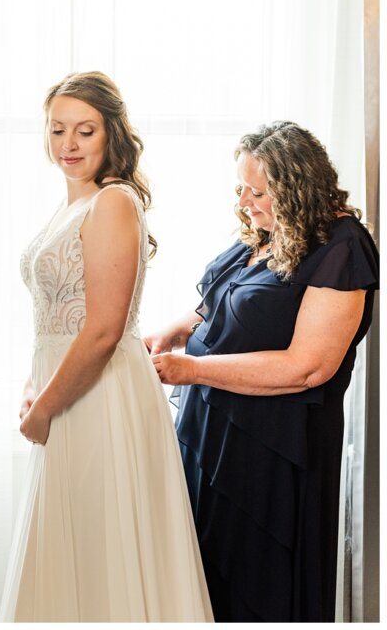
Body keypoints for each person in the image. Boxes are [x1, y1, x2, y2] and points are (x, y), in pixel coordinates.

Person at [0, 71, 212, 621]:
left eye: (85, 131)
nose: (68, 144)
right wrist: (33, 383)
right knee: (73, 548)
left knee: (100, 547)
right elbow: (54, 317)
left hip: (99, 398)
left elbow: (103, 330)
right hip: (66, 389)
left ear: (110, 134)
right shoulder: (70, 207)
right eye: (58, 129)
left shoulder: (112, 203)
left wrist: (44, 408)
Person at [147, 121, 378, 622]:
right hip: (212, 431)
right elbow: (227, 306)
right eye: (241, 188)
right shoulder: (268, 233)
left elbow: (307, 367)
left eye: (258, 191)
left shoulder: (341, 247)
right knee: (202, 583)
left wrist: (193, 370)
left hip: (272, 449)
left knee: (257, 589)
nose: (245, 201)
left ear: (298, 188)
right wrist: (173, 331)